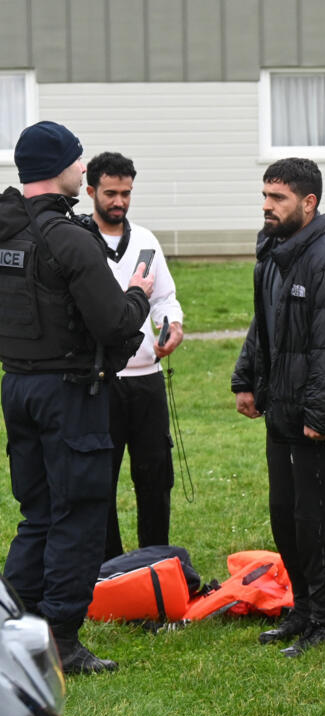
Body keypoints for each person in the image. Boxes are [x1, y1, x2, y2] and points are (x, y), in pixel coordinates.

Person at [0, 121, 154, 674]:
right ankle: (61, 639)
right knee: (79, 514)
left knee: (37, 514)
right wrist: (138, 294)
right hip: (69, 393)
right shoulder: (65, 236)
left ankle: (13, 628)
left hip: (17, 385)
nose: (83, 169)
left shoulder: (7, 230)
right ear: (59, 167)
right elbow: (114, 327)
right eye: (77, 161)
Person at [231, 157, 325, 657]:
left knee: (317, 521)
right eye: (266, 196)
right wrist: (246, 380)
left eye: (278, 198)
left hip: (319, 422)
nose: (267, 206)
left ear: (309, 203)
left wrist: (319, 418)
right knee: (285, 517)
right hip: (282, 410)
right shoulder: (273, 252)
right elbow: (262, 326)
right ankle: (304, 609)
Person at [78, 151, 185, 562]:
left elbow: (165, 298)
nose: (119, 201)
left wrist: (172, 325)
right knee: (100, 479)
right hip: (100, 380)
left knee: (156, 476)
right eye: (110, 193)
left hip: (147, 378)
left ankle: (156, 561)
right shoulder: (78, 242)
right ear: (91, 191)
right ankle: (108, 565)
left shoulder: (145, 240)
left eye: (126, 193)